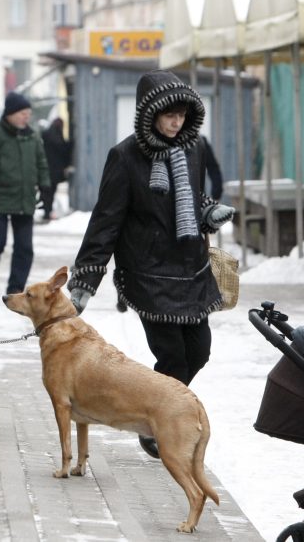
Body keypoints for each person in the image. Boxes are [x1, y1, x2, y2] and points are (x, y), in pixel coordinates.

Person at [67, 69, 234, 459]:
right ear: (149, 113)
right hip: (147, 273)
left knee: (200, 352)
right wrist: (87, 277)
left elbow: (192, 197)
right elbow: (106, 220)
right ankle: (160, 424)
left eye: (182, 115)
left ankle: (151, 414)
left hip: (190, 268)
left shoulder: (194, 148)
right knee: (173, 356)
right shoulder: (124, 157)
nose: (176, 122)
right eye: (169, 115)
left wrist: (208, 211)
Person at [0, 92, 50, 297]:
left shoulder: (32, 136)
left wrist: (45, 186)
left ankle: (15, 288)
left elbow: (41, 163)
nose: (26, 116)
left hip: (24, 200)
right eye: (22, 112)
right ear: (10, 113)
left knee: (24, 248)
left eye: (28, 113)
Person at [39, 117, 73, 221]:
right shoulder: (56, 135)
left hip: (46, 168)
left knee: (46, 191)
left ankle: (46, 210)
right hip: (53, 169)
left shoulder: (46, 134)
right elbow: (62, 149)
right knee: (50, 191)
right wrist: (70, 144)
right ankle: (47, 211)